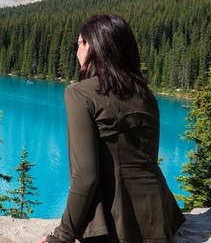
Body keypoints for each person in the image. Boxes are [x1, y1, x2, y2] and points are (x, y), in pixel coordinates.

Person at [39, 14, 185, 243]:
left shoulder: (79, 93)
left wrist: (62, 235)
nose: (76, 52)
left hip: (114, 227)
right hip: (160, 221)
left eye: (78, 44)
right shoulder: (147, 96)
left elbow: (85, 176)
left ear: (91, 47)